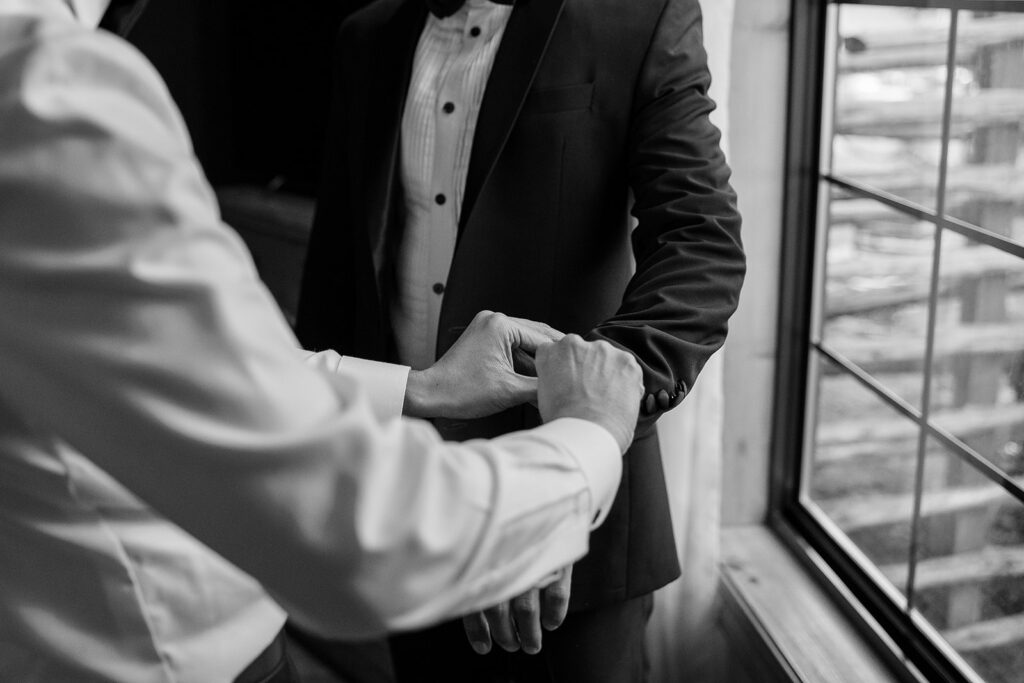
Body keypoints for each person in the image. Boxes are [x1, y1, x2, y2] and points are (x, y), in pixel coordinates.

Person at [0, 1, 647, 681]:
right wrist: (589, 436)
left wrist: (415, 389)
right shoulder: (49, 95)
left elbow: (136, 362)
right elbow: (353, 537)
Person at [297, 0, 747, 680]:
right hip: (408, 502)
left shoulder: (640, 16)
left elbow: (701, 243)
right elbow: (337, 271)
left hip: (582, 547)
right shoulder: (365, 36)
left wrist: (584, 424)